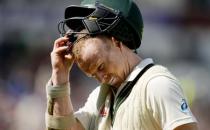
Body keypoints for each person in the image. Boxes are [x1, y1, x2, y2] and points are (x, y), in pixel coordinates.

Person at [45, 0, 198, 130]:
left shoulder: (156, 85)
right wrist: (60, 75)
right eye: (93, 75)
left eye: (100, 67)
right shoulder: (100, 97)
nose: (101, 79)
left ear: (116, 41)